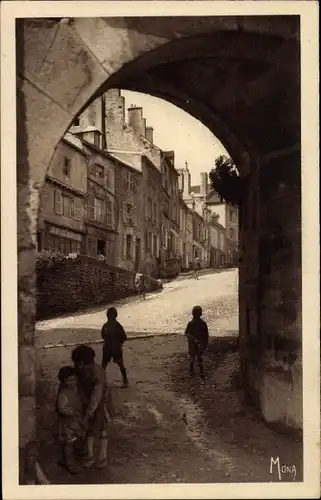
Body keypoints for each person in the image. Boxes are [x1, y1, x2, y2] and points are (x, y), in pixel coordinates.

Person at [71, 345, 112, 469]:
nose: (77, 366)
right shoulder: (78, 369)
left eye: (78, 364)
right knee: (88, 429)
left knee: (101, 428)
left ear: (82, 363)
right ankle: (89, 455)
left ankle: (102, 456)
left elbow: (97, 395)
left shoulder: (98, 374)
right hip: (86, 400)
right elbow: (78, 386)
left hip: (100, 402)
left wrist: (89, 412)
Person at [56, 366, 86, 474]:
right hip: (68, 423)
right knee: (69, 443)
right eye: (70, 380)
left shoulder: (74, 389)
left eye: (74, 379)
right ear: (63, 381)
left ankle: (65, 460)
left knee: (72, 442)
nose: (73, 382)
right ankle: (70, 464)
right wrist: (72, 411)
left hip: (75, 420)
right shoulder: (63, 393)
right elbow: (61, 408)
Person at [101, 307, 129, 388]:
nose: (110, 317)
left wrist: (118, 344)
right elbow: (103, 335)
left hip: (114, 348)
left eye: (111, 316)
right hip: (108, 348)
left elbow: (123, 337)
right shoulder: (106, 326)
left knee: (120, 364)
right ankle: (101, 381)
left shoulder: (116, 326)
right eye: (109, 315)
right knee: (104, 364)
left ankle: (125, 380)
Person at [185, 306, 209, 379]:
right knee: (194, 358)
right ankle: (194, 371)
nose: (196, 315)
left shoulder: (201, 323)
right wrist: (192, 338)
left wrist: (204, 343)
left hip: (198, 343)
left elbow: (206, 335)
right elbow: (187, 333)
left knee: (198, 358)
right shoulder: (193, 323)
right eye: (196, 313)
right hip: (193, 343)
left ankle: (198, 372)